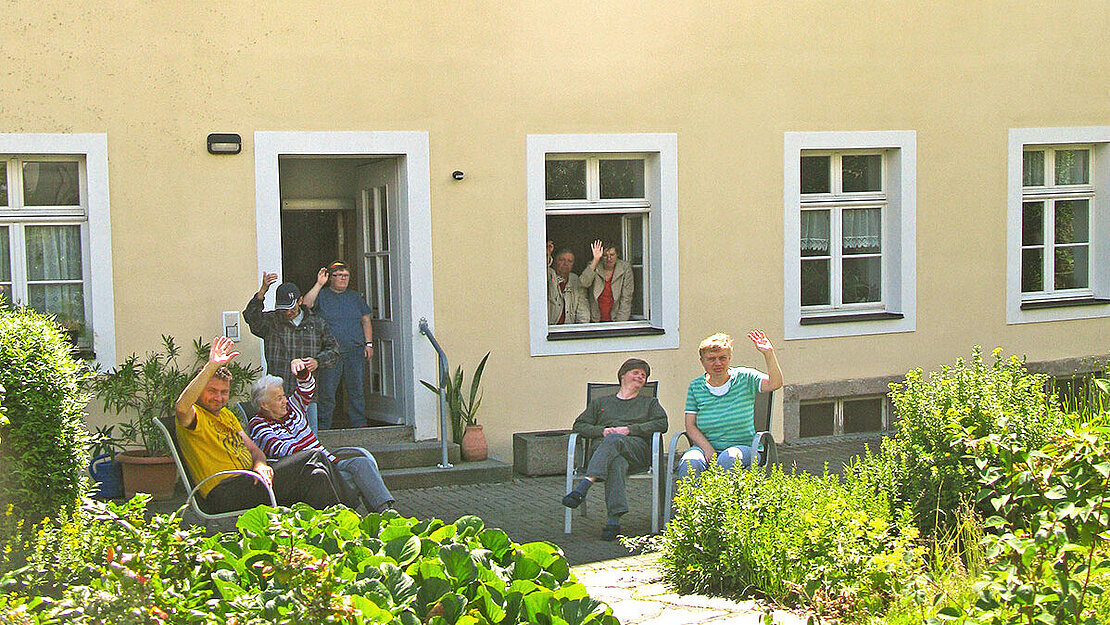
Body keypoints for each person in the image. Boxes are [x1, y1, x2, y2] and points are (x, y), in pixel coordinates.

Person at [173, 336, 348, 513]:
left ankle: (332, 528)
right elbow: (181, 407)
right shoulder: (194, 417)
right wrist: (211, 366)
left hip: (251, 481)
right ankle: (350, 517)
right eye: (212, 391)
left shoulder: (227, 415)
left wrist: (260, 465)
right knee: (314, 456)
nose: (218, 397)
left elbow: (255, 450)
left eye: (224, 392)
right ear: (200, 390)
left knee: (317, 475)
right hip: (225, 491)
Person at [247, 360, 394, 513]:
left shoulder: (292, 408)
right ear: (264, 404)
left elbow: (308, 388)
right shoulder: (258, 425)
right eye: (278, 398)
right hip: (309, 474)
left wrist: (301, 370)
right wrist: (314, 454)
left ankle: (385, 513)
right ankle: (354, 515)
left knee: (362, 463)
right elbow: (283, 450)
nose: (284, 401)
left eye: (283, 396)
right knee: (355, 479)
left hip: (330, 464)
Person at [560, 358, 667, 541]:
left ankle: (584, 485)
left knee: (615, 440)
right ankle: (613, 521)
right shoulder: (601, 403)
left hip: (636, 450)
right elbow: (579, 425)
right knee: (616, 462)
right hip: (604, 452)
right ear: (622, 375)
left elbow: (662, 423)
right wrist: (601, 431)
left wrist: (630, 430)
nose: (640, 377)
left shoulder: (650, 403)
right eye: (636, 373)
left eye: (644, 375)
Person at [678, 331, 784, 480]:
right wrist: (708, 449)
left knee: (728, 459)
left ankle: (724, 503)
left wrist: (769, 354)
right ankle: (691, 503)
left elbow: (775, 383)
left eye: (722, 358)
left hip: (744, 448)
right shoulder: (696, 386)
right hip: (705, 447)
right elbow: (690, 426)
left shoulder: (745, 378)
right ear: (702, 361)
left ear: (729, 358)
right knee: (690, 462)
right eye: (711, 359)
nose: (718, 363)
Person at [243, 272, 339, 433]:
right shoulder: (272, 322)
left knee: (310, 443)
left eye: (291, 308)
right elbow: (251, 317)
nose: (287, 313)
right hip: (277, 395)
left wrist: (317, 361)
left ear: (300, 301)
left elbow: (334, 351)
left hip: (307, 396)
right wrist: (262, 292)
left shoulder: (317, 323)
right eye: (283, 309)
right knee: (281, 440)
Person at [302, 261, 374, 429]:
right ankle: (324, 426)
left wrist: (369, 344)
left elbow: (365, 320)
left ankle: (359, 424)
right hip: (329, 353)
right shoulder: (323, 295)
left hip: (355, 350)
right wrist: (319, 284)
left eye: (346, 276)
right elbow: (306, 305)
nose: (343, 279)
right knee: (327, 392)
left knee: (356, 389)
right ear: (330, 278)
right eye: (339, 275)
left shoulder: (355, 297)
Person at [579, 240, 634, 323]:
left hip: (616, 318)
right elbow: (583, 283)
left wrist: (620, 324)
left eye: (612, 255)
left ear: (617, 254)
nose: (609, 259)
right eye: (605, 255)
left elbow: (626, 298)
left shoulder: (625, 268)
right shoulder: (594, 265)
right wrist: (595, 260)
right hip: (595, 319)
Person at [546, 241, 590, 325]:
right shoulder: (549, 275)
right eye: (562, 260)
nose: (565, 264)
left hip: (568, 332)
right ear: (554, 261)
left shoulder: (575, 280)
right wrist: (547, 255)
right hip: (550, 330)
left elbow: (583, 312)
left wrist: (581, 332)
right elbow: (540, 271)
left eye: (570, 261)